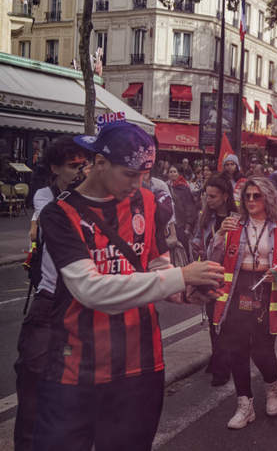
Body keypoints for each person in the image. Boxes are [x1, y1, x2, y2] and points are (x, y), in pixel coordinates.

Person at [32, 121, 224, 451]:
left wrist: (185, 293)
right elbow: (90, 289)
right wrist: (180, 277)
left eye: (145, 174)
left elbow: (155, 265)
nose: (138, 184)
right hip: (77, 368)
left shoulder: (148, 204)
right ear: (100, 162)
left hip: (141, 364)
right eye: (130, 174)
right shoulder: (59, 214)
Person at [16, 137, 87, 451]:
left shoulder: (92, 197)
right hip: (49, 303)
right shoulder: (46, 197)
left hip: (83, 303)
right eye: (73, 166)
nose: (79, 172)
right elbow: (54, 220)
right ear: (55, 168)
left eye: (83, 165)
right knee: (32, 388)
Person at [209, 177, 277, 429]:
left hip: (266, 290)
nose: (251, 201)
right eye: (247, 196)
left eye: (257, 196)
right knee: (236, 349)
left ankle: (272, 387)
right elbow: (213, 256)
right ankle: (244, 404)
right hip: (237, 289)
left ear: (267, 198)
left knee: (263, 349)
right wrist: (220, 233)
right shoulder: (233, 225)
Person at [192, 174, 237, 387]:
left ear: (225, 196)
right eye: (206, 195)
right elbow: (197, 242)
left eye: (213, 196)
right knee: (213, 320)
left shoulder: (237, 217)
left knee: (226, 322)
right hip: (210, 275)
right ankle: (217, 358)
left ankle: (223, 367)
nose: (208, 200)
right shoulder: (205, 217)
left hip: (232, 278)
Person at [167, 164, 198, 259]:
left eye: (174, 172)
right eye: (170, 172)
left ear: (179, 174)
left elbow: (190, 207)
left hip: (181, 224)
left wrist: (188, 225)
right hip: (169, 224)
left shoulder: (184, 187)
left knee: (183, 249)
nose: (172, 174)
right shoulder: (165, 187)